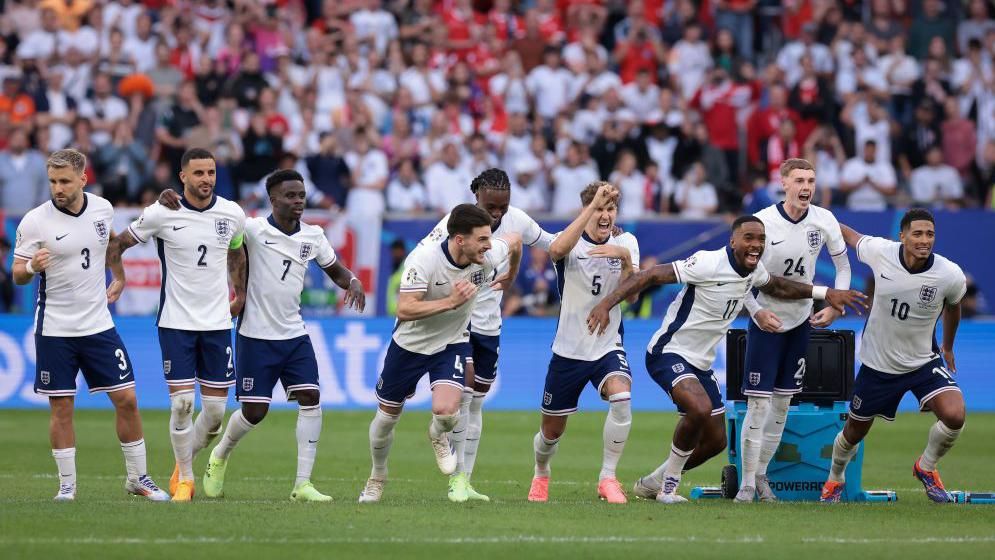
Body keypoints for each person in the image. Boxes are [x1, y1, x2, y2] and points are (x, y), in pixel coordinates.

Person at [587, 216, 867, 504]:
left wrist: (826, 292)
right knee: (699, 408)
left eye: (760, 239)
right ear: (733, 241)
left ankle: (652, 483)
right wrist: (606, 305)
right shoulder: (707, 263)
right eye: (749, 238)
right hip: (669, 351)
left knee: (716, 441)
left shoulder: (754, 270)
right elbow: (651, 275)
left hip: (701, 363)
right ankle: (668, 489)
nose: (755, 245)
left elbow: (779, 287)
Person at [150, 169, 364, 501]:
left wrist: (352, 281)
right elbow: (210, 224)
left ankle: (302, 484)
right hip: (254, 336)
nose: (298, 201)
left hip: (294, 334)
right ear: (273, 199)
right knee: (255, 412)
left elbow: (335, 269)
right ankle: (220, 454)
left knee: (311, 398)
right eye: (290, 196)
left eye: (301, 195)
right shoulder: (251, 229)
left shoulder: (313, 236)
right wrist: (167, 200)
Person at [13, 149, 169, 502]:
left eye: (65, 181)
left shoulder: (102, 208)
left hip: (98, 325)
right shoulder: (35, 221)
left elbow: (111, 242)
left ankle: (138, 479)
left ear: (83, 178)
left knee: (127, 399)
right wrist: (33, 267)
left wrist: (119, 274)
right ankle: (67, 486)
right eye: (53, 181)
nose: (58, 188)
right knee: (62, 407)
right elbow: (17, 275)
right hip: (54, 328)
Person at [107, 148, 247, 502]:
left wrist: (240, 293)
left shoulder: (231, 213)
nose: (206, 180)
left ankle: (181, 462)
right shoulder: (161, 213)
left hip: (217, 323)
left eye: (211, 173)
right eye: (198, 173)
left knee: (214, 414)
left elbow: (236, 251)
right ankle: (185, 478)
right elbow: (118, 244)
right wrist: (119, 278)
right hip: (176, 322)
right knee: (182, 404)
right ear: (182, 176)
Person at [359, 204, 521, 503]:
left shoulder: (486, 254)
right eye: (482, 239)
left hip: (452, 343)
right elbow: (404, 309)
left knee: (447, 413)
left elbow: (514, 241)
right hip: (410, 346)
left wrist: (509, 278)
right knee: (385, 421)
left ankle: (437, 434)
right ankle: (377, 477)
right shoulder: (424, 260)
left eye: (489, 239)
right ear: (460, 240)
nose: (488, 245)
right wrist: (450, 302)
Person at [419, 168, 552, 502]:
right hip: (457, 323)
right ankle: (452, 470)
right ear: (476, 195)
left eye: (502, 208)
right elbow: (426, 255)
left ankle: (464, 479)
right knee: (462, 397)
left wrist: (593, 224)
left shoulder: (517, 220)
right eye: (491, 206)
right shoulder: (457, 221)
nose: (497, 214)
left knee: (477, 403)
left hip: (489, 326)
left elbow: (553, 244)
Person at [821, 209, 967, 504]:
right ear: (902, 236)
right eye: (917, 234)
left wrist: (948, 347)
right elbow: (849, 236)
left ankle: (925, 468)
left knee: (954, 415)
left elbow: (954, 306)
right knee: (853, 433)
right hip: (878, 364)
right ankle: (835, 478)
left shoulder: (949, 274)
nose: (924, 240)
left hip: (923, 361)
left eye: (929, 234)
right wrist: (818, 219)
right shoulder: (881, 252)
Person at [736, 159, 852, 502]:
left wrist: (835, 305)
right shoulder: (763, 223)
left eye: (811, 181)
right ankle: (744, 484)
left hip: (801, 321)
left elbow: (843, 266)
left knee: (783, 404)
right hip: (767, 323)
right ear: (783, 183)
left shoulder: (824, 219)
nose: (806, 187)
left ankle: (761, 477)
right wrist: (756, 312)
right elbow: (740, 275)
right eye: (799, 180)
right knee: (757, 406)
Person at [527, 182, 640, 504]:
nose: (605, 216)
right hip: (569, 350)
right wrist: (591, 208)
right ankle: (541, 472)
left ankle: (608, 478)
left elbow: (632, 296)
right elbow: (555, 251)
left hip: (607, 345)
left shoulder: (626, 241)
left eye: (610, 209)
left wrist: (627, 260)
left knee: (622, 397)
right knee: (551, 433)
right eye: (599, 209)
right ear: (586, 210)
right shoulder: (572, 242)